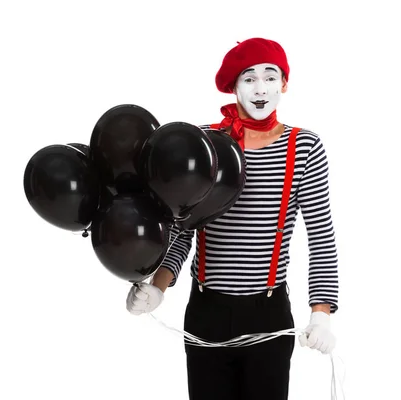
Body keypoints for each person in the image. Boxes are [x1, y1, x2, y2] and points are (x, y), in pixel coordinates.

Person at [126, 37, 340, 400]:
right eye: (249, 78)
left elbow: (321, 235)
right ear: (234, 87)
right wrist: (157, 288)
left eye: (270, 77)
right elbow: (181, 229)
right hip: (206, 312)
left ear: (284, 84)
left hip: (268, 314)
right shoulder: (205, 142)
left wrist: (321, 312)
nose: (260, 89)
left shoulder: (304, 147)